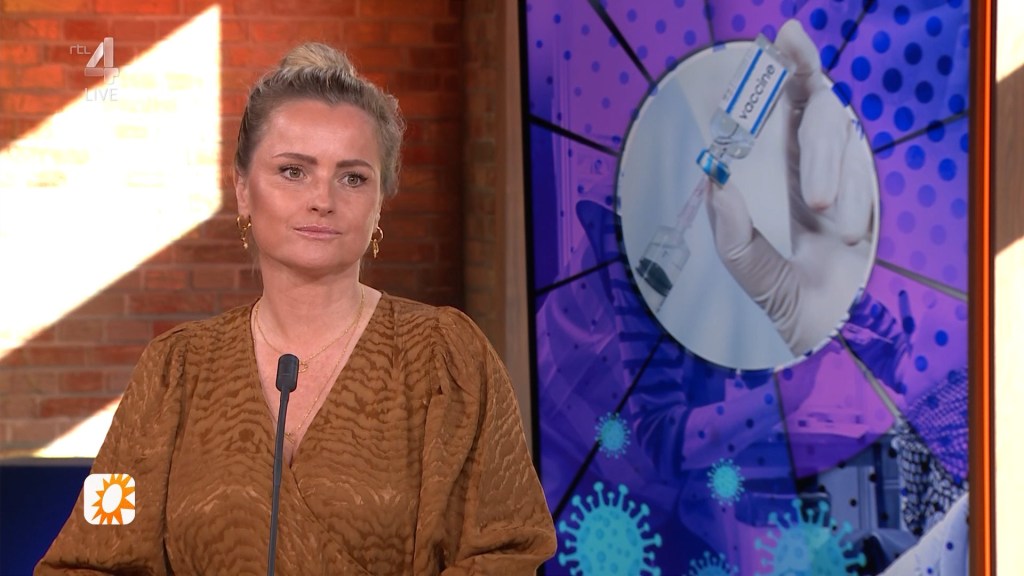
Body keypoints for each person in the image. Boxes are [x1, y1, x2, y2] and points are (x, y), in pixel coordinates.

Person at [36, 42, 556, 575]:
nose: (323, 200)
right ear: (243, 189)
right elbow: (91, 551)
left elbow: (507, 550)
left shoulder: (449, 359)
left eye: (353, 177)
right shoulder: (173, 371)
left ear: (380, 202)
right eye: (293, 171)